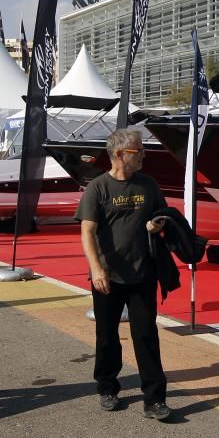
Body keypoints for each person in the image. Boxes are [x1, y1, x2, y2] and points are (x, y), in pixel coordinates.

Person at [75, 129, 173, 421]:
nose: (143, 154)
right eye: (138, 151)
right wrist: (96, 269)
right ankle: (107, 387)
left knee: (146, 335)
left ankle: (154, 399)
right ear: (119, 154)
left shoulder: (148, 185)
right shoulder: (98, 188)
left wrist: (157, 225)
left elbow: (164, 216)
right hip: (107, 275)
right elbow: (87, 231)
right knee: (106, 336)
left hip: (143, 273)